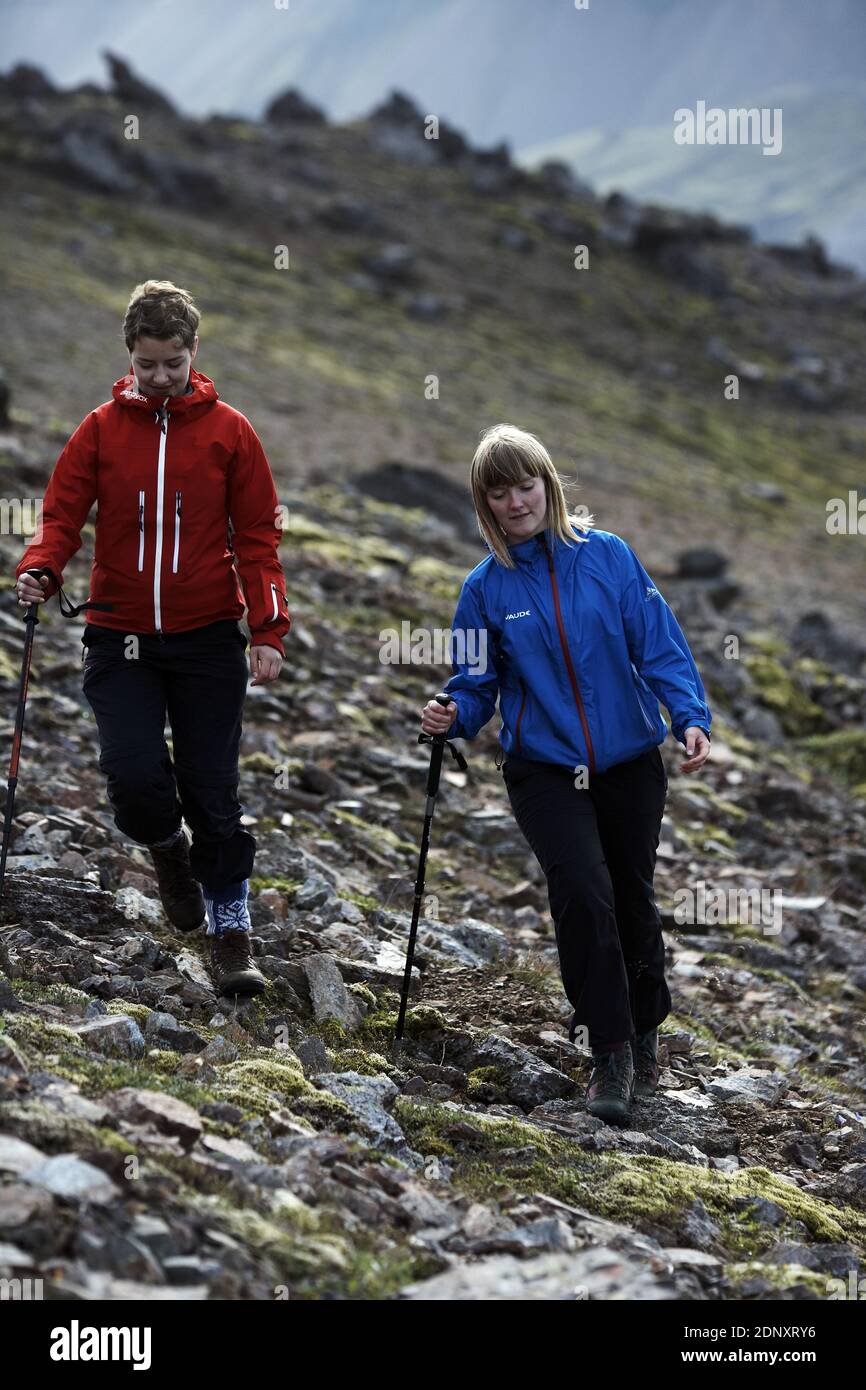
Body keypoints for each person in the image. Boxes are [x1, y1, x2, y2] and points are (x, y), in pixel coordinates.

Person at [420, 423, 711, 1124]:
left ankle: (644, 1033)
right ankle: (605, 1050)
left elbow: (659, 644)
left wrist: (688, 715)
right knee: (583, 894)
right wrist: (449, 713)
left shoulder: (608, 559)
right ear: (484, 503)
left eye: (526, 485)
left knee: (633, 902)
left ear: (547, 486)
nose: (516, 501)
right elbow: (474, 682)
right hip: (544, 769)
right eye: (500, 492)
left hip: (629, 763)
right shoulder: (485, 589)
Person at [14, 279, 291, 997]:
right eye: (148, 365)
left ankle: (231, 931)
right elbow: (60, 515)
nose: (162, 377)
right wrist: (42, 567)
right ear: (130, 359)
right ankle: (168, 851)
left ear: (193, 354)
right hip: (120, 637)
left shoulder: (231, 431)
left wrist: (267, 628)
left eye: (174, 363)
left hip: (206, 641)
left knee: (213, 793)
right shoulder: (99, 430)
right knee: (135, 782)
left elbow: (258, 534)